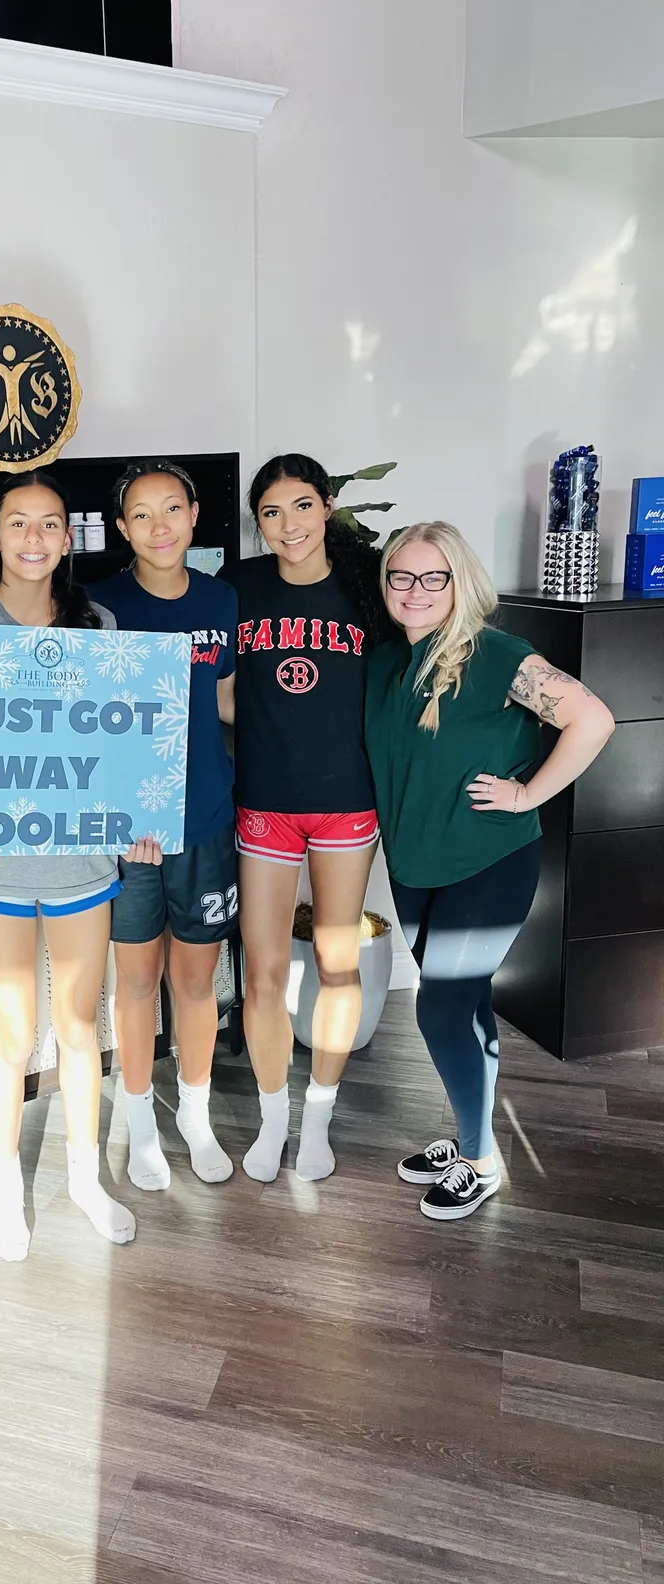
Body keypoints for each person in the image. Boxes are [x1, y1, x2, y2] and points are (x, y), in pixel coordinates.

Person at [366, 521, 613, 1219]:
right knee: (466, 1006)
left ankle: (480, 1161)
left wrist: (529, 793)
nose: (415, 592)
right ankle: (470, 1135)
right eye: (401, 577)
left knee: (439, 1005)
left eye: (432, 577)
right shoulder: (388, 662)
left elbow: (592, 719)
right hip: (416, 864)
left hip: (489, 862)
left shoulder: (498, 655)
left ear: (459, 582)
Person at [0, 470, 154, 1258]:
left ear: (68, 539)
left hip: (81, 867)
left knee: (76, 1027)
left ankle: (81, 1177)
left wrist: (135, 820)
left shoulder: (98, 626)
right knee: (11, 1035)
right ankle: (5, 1186)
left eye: (50, 525)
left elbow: (123, 745)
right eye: (18, 524)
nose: (34, 538)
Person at [219, 454, 391, 1185]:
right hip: (265, 805)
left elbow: (401, 693)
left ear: (326, 508)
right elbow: (223, 693)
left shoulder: (368, 589)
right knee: (262, 972)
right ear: (258, 523)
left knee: (335, 963)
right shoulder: (240, 588)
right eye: (270, 512)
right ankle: (274, 1118)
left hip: (348, 803)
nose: (287, 525)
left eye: (300, 506)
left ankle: (318, 1115)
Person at [88, 460, 238, 1191]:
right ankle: (142, 1118)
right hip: (127, 832)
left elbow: (230, 704)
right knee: (138, 980)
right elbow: (79, 722)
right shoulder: (97, 605)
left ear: (193, 514)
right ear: (122, 529)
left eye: (170, 509)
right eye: (140, 514)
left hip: (205, 819)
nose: (158, 526)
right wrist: (119, 811)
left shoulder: (222, 600)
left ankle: (197, 1114)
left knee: (197, 980)